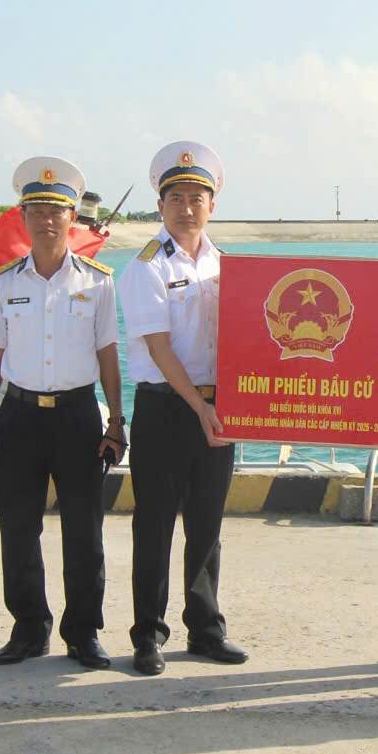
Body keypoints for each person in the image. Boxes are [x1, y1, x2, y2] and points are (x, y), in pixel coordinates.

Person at [0, 156, 125, 670]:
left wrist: (116, 420)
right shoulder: (3, 282)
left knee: (84, 530)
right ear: (21, 215)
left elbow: (108, 354)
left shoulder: (99, 281)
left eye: (56, 209)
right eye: (35, 208)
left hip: (78, 415)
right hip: (19, 418)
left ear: (73, 216)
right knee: (18, 528)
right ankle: (28, 630)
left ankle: (83, 633)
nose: (46, 218)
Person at [117, 141, 247, 675]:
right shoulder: (145, 267)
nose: (187, 207)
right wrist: (198, 406)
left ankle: (205, 628)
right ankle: (148, 634)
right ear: (160, 206)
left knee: (207, 523)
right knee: (154, 526)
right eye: (177, 197)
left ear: (212, 205)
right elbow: (159, 347)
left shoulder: (229, 267)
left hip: (219, 409)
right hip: (167, 410)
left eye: (198, 197)